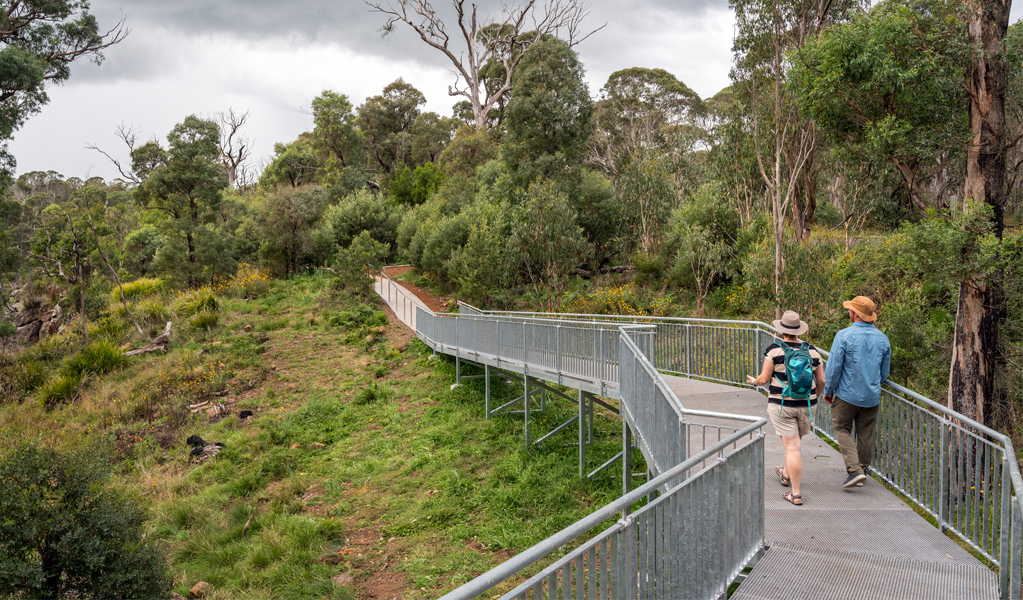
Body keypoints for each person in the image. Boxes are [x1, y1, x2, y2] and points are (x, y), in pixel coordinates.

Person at [747, 310, 825, 506]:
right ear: (799, 330)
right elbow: (821, 380)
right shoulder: (812, 351)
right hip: (808, 403)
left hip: (782, 404)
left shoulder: (774, 350)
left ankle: (796, 494)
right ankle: (785, 474)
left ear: (782, 330)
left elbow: (764, 379)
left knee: (791, 446)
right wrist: (816, 396)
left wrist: (754, 382)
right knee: (794, 444)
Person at [821, 296, 891, 489]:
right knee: (865, 434)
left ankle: (854, 471)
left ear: (855, 314)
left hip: (847, 394)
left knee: (842, 428)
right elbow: (884, 373)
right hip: (871, 396)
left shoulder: (844, 336)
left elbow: (834, 367)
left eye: (850, 310)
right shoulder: (883, 339)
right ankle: (863, 470)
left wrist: (828, 390)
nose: (848, 312)